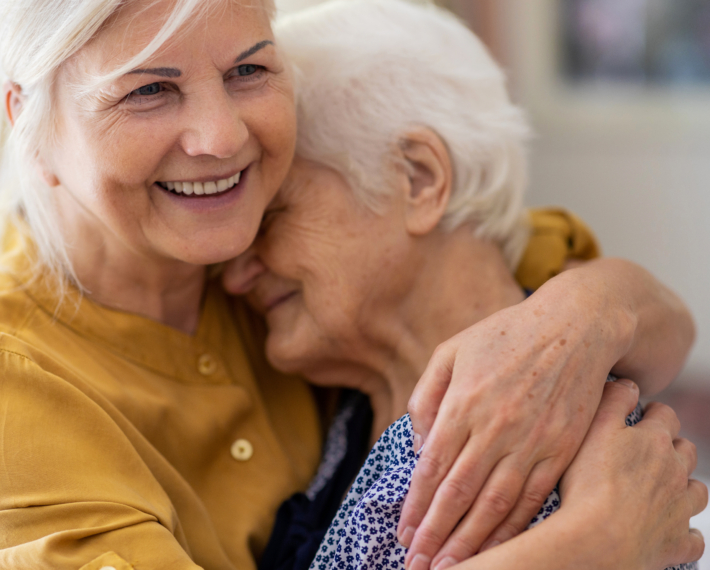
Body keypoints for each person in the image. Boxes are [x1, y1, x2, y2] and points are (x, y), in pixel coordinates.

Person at [0, 0, 699, 567]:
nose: (221, 138)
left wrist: (594, 311)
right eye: (148, 90)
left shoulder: (248, 278)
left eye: (250, 71)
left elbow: (561, 285)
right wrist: (591, 548)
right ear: (29, 123)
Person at [222, 1, 707, 568]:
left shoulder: (569, 441)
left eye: (273, 214)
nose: (235, 272)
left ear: (419, 179)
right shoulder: (343, 412)